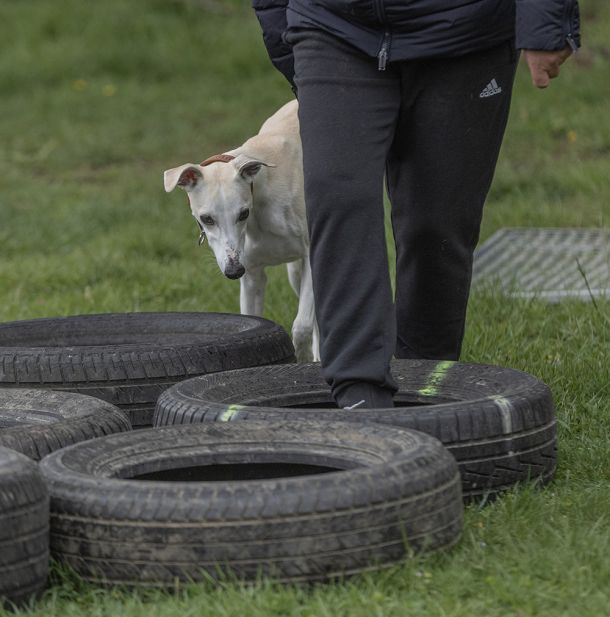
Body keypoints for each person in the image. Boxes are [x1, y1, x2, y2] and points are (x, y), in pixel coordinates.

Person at [252, 0, 580, 409]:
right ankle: (358, 391)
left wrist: (547, 23)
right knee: (339, 198)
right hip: (332, 25)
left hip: (466, 32)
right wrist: (283, 34)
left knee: (436, 225)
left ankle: (424, 379)